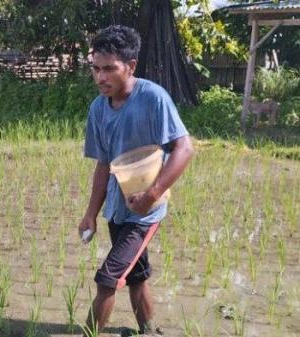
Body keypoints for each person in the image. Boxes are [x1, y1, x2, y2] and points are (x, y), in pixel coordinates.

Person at [78, 25, 194, 335]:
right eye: (96, 69)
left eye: (109, 69)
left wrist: (153, 194)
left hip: (145, 212)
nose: (101, 77)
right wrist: (90, 213)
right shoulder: (97, 109)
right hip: (118, 208)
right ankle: (150, 330)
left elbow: (184, 148)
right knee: (136, 276)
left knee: (108, 279)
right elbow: (104, 164)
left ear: (130, 66)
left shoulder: (153, 98)